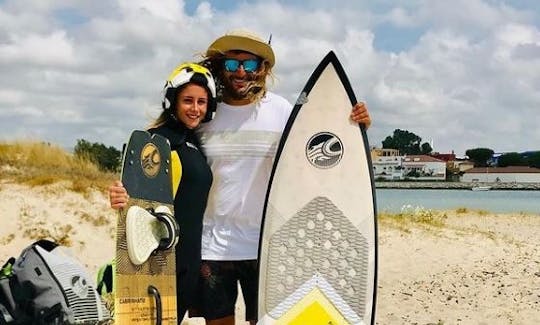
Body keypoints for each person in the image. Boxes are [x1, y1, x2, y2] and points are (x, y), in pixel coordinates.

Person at [189, 29, 372, 325]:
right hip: (213, 245)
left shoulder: (281, 111)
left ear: (261, 69)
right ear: (220, 67)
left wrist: (354, 124)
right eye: (232, 64)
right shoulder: (206, 113)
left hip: (270, 244)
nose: (240, 72)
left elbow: (314, 156)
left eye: (249, 65)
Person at [108, 62, 216, 321]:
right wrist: (119, 196)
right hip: (159, 258)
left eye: (202, 102)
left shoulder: (195, 143)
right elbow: (135, 201)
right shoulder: (156, 141)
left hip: (189, 258)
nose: (195, 108)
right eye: (188, 100)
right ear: (173, 102)